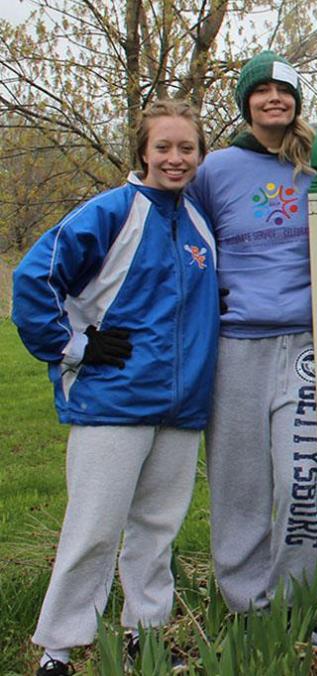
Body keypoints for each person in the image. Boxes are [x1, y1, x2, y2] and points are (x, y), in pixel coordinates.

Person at [13, 100, 217, 676]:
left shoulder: (201, 223)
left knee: (157, 532)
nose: (175, 159)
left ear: (199, 155)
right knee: (95, 527)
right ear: (143, 152)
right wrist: (73, 346)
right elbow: (33, 278)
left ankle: (144, 641)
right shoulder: (112, 212)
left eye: (186, 148)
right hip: (114, 402)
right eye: (164, 147)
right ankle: (58, 648)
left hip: (181, 410)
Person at [188, 51, 317, 620]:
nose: (274, 99)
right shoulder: (214, 170)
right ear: (246, 103)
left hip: (308, 342)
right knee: (239, 487)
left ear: (296, 103)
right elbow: (187, 243)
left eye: (284, 91)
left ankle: (295, 608)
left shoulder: (315, 165)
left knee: (302, 485)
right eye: (261, 91)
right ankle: (248, 611)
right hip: (237, 345)